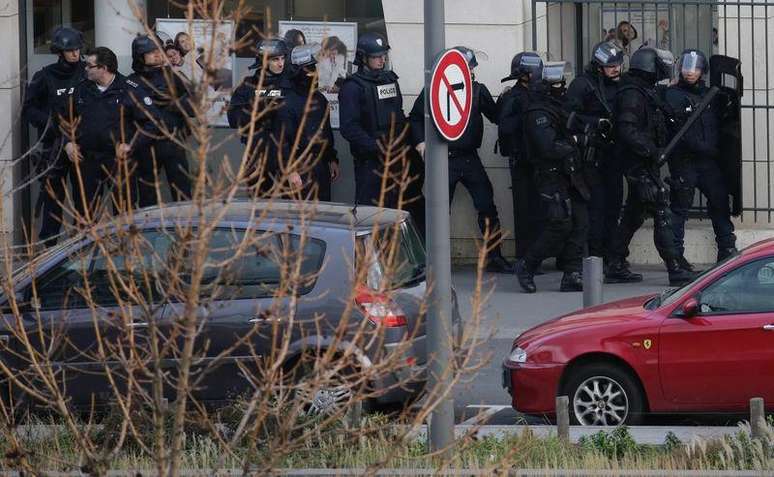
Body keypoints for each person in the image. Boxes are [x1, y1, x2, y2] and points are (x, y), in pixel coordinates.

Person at [408, 46, 514, 273]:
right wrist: (420, 143)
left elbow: (496, 115)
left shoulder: (477, 91)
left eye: (472, 68)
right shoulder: (435, 89)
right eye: (468, 67)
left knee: (487, 205)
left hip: (468, 158)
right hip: (442, 159)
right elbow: (416, 118)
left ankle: (494, 257)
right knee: (436, 211)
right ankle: (429, 261)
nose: (471, 72)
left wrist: (507, 99)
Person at [605, 47, 696, 286]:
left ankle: (614, 263)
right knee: (661, 211)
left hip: (644, 162)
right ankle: (675, 267)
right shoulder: (633, 94)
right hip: (638, 164)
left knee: (633, 215)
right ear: (649, 66)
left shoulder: (645, 91)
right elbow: (627, 130)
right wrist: (651, 151)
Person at [59, 47, 160, 224]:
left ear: (104, 68)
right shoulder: (82, 89)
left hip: (118, 161)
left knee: (123, 212)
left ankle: (123, 250)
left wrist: (131, 145)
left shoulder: (129, 90)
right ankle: (86, 251)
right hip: (87, 160)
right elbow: (65, 120)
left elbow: (152, 123)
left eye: (90, 66)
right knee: (85, 214)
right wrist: (68, 142)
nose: (85, 68)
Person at [338, 32, 425, 235]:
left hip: (396, 159)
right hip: (371, 163)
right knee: (372, 216)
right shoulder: (352, 87)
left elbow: (399, 116)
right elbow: (349, 127)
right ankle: (370, 263)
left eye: (383, 55)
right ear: (363, 58)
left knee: (399, 212)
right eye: (377, 56)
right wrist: (376, 147)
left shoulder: (390, 81)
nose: (382, 59)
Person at [514, 61, 589, 293]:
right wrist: (575, 142)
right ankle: (527, 265)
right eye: (556, 84)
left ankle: (572, 273)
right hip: (551, 176)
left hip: (570, 173)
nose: (562, 87)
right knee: (560, 224)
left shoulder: (559, 106)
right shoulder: (537, 112)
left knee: (582, 221)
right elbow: (548, 147)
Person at [665, 49, 737, 264]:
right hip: (684, 161)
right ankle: (676, 259)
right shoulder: (671, 94)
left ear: (703, 71)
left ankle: (727, 249)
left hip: (708, 162)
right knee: (679, 210)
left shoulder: (713, 95)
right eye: (687, 67)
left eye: (695, 68)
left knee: (719, 202)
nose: (690, 72)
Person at [22, 26, 86, 247]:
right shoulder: (45, 76)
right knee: (53, 199)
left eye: (78, 49)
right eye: (70, 50)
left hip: (82, 145)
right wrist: (55, 127)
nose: (75, 54)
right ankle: (50, 248)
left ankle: (84, 244)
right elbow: (28, 109)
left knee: (84, 197)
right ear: (60, 52)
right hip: (54, 146)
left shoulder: (87, 71)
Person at [565, 41, 623, 262]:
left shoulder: (620, 84)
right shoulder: (583, 85)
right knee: (596, 209)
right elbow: (568, 118)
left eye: (618, 64)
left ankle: (610, 256)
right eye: (610, 66)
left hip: (615, 156)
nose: (616, 69)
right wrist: (595, 123)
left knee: (614, 206)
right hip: (591, 157)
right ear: (599, 67)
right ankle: (596, 258)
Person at [228, 38, 301, 195]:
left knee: (292, 210)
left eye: (282, 58)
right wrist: (258, 109)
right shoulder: (248, 86)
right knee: (259, 208)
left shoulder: (292, 85)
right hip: (257, 155)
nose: (281, 64)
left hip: (288, 156)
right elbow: (233, 119)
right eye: (275, 59)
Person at [128, 35, 193, 208]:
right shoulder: (132, 82)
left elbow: (194, 105)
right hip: (145, 146)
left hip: (173, 142)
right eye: (151, 52)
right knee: (147, 197)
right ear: (140, 56)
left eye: (158, 51)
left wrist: (174, 104)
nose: (157, 55)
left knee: (183, 194)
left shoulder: (172, 76)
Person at [497, 52, 544, 260]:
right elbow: (505, 126)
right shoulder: (512, 97)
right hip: (521, 160)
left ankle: (536, 255)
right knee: (524, 210)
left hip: (538, 159)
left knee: (539, 208)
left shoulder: (537, 93)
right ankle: (525, 257)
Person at [278, 44, 340, 201]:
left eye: (315, 68)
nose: (316, 73)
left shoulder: (319, 99)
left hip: (320, 166)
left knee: (323, 215)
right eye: (311, 69)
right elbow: (281, 141)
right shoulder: (287, 101)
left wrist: (331, 159)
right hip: (298, 169)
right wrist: (290, 170)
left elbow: (326, 133)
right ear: (300, 72)